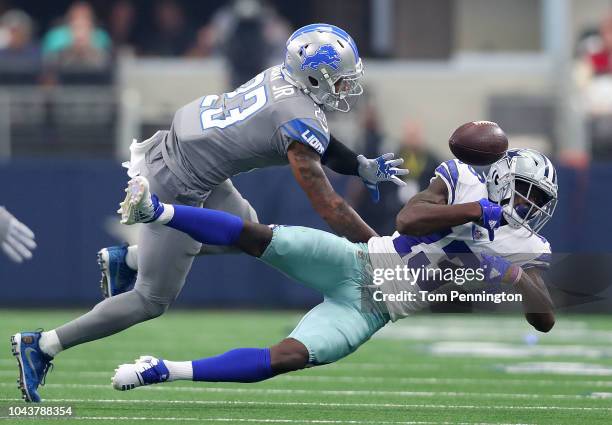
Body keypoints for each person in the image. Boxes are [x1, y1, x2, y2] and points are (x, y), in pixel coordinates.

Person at [10, 23, 408, 403]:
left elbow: (315, 135)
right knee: (150, 299)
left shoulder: (284, 80)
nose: (346, 87)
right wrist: (379, 248)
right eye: (339, 78)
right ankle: (43, 344)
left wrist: (359, 165)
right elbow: (329, 205)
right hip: (183, 179)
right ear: (315, 77)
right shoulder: (296, 116)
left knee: (249, 234)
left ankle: (129, 258)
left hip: (193, 151)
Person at [109, 148, 556, 390]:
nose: (527, 206)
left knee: (287, 358)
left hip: (371, 311)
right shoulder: (464, 180)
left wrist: (511, 274)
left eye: (537, 201)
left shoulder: (526, 244)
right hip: (358, 260)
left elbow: (545, 319)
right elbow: (409, 221)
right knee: (256, 236)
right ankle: (155, 211)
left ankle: (163, 370)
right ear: (499, 179)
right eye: (524, 193)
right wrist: (473, 212)